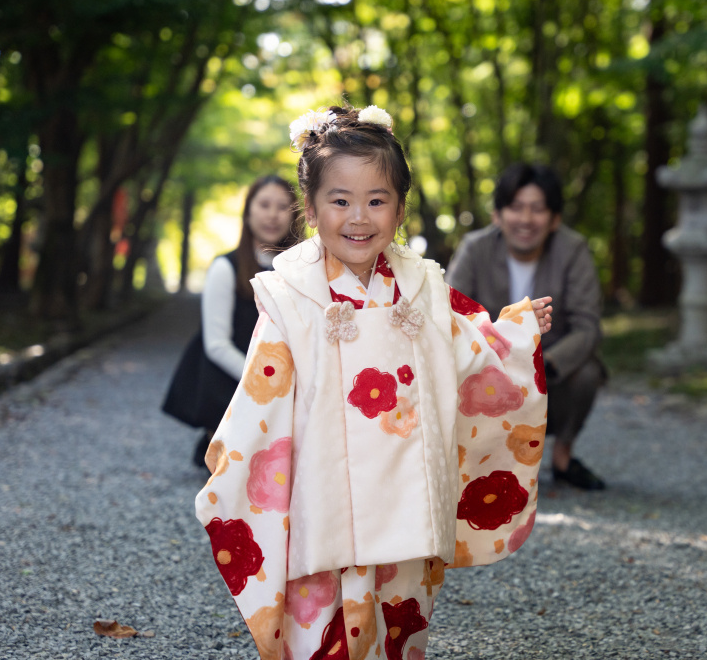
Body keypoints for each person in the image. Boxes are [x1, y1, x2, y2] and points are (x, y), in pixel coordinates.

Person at [194, 105, 553, 660]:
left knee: (401, 621)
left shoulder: (422, 285)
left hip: (408, 495)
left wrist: (513, 333)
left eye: (377, 200)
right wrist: (239, 462)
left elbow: (466, 349)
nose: (358, 217)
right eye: (340, 200)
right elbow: (262, 395)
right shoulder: (289, 294)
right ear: (311, 209)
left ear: (400, 208)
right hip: (324, 493)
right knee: (324, 631)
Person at [446, 162, 607, 491]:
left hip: (550, 370)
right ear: (498, 215)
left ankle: (563, 457)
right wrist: (493, 359)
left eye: (537, 209)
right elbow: (449, 315)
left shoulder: (572, 250)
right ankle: (478, 458)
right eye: (516, 207)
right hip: (485, 365)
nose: (525, 219)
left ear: (554, 219)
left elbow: (588, 327)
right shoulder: (475, 249)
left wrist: (541, 364)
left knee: (588, 370)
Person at [162, 175, 301, 468]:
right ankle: (219, 436)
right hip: (231, 374)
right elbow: (216, 345)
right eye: (264, 205)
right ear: (248, 212)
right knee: (237, 467)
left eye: (282, 207)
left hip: (283, 372)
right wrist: (264, 382)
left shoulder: (301, 271)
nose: (272, 215)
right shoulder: (226, 267)